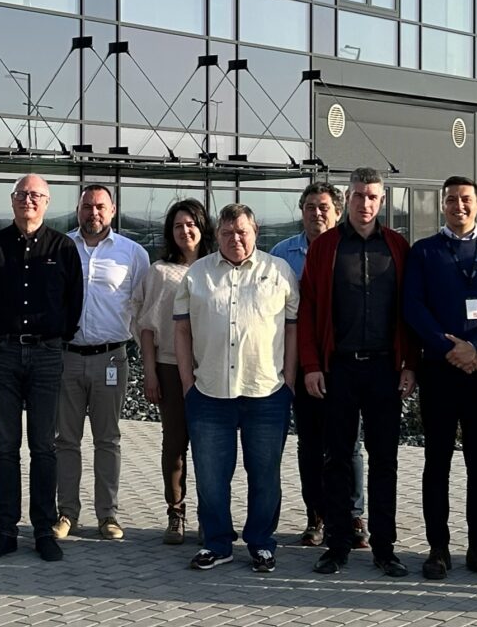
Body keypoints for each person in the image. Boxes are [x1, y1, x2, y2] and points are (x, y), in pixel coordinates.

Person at [299, 168, 414, 578]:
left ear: (382, 201)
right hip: (339, 369)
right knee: (336, 460)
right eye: (359, 195)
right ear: (347, 198)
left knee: (385, 460)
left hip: (385, 369)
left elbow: (409, 312)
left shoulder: (398, 246)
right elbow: (308, 310)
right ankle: (337, 545)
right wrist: (311, 365)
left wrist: (410, 365)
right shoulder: (325, 247)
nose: (365, 203)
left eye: (372, 197)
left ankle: (385, 548)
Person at [403, 176, 477, 581]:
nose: (459, 206)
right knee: (436, 462)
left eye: (466, 199)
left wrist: (476, 346)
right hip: (439, 371)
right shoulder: (424, 251)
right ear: (442, 205)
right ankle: (438, 548)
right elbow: (413, 306)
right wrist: (448, 348)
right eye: (451, 199)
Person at [176, 203, 298, 574]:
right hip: (209, 393)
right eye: (227, 233)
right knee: (211, 478)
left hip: (267, 392)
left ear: (255, 231)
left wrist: (289, 381)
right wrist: (188, 384)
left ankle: (261, 543)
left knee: (265, 476)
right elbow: (182, 331)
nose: (235, 239)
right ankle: (217, 544)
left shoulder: (279, 271)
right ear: (217, 235)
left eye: (242, 231)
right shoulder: (197, 274)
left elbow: (293, 329)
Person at [0, 174, 83, 562]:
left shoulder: (63, 247)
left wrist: (56, 336)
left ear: (47, 202)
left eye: (36, 195)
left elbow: (74, 301)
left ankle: (43, 531)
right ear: (12, 200)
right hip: (2, 354)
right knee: (5, 447)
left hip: (47, 355)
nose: (28, 200)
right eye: (22, 194)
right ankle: (5, 531)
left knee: (44, 447)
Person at [270, 182, 367, 549]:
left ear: (338, 212)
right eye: (310, 206)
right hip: (301, 363)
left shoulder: (352, 248)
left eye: (324, 207)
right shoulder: (282, 256)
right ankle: (317, 515)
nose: (316, 213)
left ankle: (354, 515)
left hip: (344, 362)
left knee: (349, 443)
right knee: (310, 444)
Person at [54, 184, 150, 541]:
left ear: (112, 211)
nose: (93, 213)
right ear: (78, 210)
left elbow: (142, 308)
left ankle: (108, 515)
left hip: (111, 357)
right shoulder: (61, 247)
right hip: (67, 357)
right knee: (66, 440)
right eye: (87, 206)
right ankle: (67, 513)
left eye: (99, 207)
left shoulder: (133, 253)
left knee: (108, 440)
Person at [130, 197, 210, 545]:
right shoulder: (160, 272)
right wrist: (149, 372)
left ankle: (210, 516)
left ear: (202, 227)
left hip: (210, 369)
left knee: (209, 446)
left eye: (191, 224)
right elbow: (147, 326)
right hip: (169, 367)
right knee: (175, 443)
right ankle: (175, 513)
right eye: (178, 226)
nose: (185, 231)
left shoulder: (217, 268)